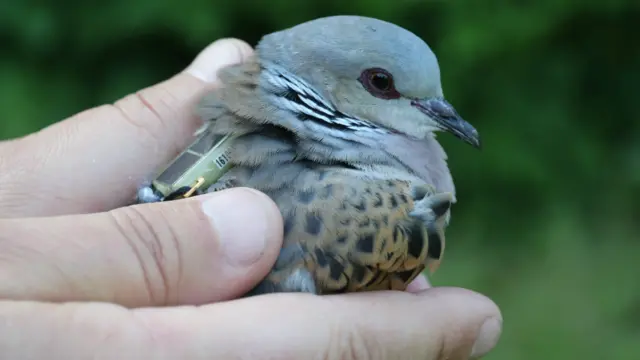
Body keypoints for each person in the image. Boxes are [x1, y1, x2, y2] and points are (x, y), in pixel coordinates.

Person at [0, 38, 502, 359]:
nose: (442, 118)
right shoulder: (374, 212)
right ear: (325, 81)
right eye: (381, 84)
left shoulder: (207, 135)